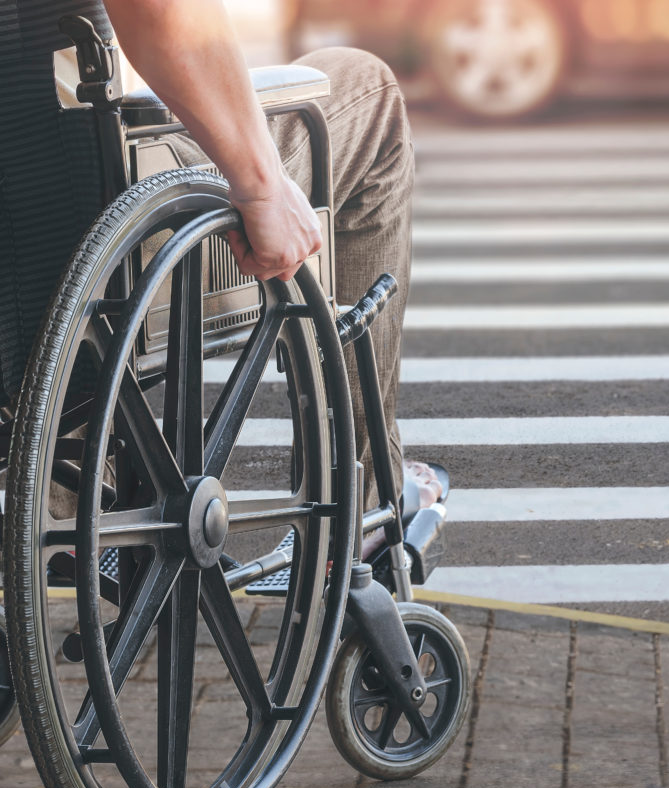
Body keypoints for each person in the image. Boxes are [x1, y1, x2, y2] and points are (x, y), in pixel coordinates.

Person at [0, 0, 441, 522]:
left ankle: (66, 487)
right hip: (68, 230)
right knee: (371, 92)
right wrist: (262, 187)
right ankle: (362, 510)